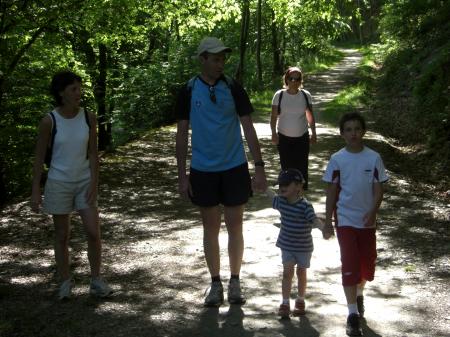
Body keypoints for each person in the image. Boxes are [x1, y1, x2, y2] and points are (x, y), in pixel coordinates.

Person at [175, 37, 267, 307]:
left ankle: (235, 280)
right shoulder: (189, 90)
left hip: (234, 167)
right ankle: (215, 283)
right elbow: (181, 135)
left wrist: (259, 167)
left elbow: (248, 128)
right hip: (203, 170)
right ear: (202, 59)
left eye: (223, 59)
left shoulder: (233, 87)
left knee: (235, 225)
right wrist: (182, 175)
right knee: (210, 227)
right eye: (215, 59)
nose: (220, 63)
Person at [31, 71, 112, 300]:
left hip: (84, 181)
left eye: (79, 87)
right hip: (58, 182)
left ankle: (96, 280)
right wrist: (36, 189)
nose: (79, 93)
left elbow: (94, 154)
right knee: (62, 235)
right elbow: (39, 157)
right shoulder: (50, 121)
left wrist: (95, 181)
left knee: (93, 232)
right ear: (61, 93)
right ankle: (65, 281)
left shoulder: (89, 117)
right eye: (73, 89)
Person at [322, 112, 388, 336]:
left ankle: (359, 294)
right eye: (348, 129)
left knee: (366, 266)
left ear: (363, 132)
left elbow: (379, 188)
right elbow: (331, 190)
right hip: (345, 220)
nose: (353, 133)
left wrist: (373, 211)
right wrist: (328, 221)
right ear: (342, 134)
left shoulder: (374, 158)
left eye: (357, 129)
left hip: (367, 221)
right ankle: (352, 314)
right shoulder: (337, 159)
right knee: (349, 262)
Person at [258, 168, 330, 318]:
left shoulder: (305, 206)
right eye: (280, 184)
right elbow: (272, 195)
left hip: (303, 247)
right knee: (287, 273)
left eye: (286, 184)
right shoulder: (282, 202)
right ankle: (285, 303)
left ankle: (300, 300)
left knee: (301, 272)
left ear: (298, 186)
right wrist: (264, 187)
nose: (281, 187)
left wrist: (324, 228)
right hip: (287, 245)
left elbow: (314, 220)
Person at [270, 66, 317, 190]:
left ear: (301, 80)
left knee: (302, 167)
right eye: (291, 78)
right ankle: (286, 194)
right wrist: (273, 134)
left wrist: (314, 133)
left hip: (302, 137)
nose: (294, 82)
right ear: (286, 80)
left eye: (297, 79)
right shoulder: (279, 95)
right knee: (286, 167)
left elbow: (310, 116)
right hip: (284, 137)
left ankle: (300, 195)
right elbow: (274, 116)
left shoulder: (306, 95)